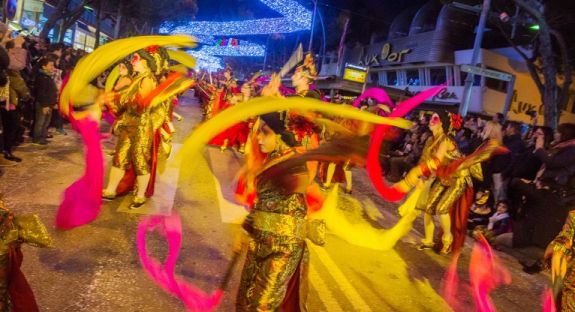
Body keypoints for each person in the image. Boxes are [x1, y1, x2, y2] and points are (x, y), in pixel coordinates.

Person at [235, 111, 320, 311]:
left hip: (283, 248)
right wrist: (245, 229)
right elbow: (263, 201)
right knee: (245, 298)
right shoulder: (273, 159)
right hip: (260, 241)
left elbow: (299, 182)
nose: (258, 138)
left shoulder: (295, 162)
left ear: (281, 137)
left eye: (265, 133)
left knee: (261, 305)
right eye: (258, 132)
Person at [101, 46, 167, 209]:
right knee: (120, 156)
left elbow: (141, 102)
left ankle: (140, 195)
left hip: (141, 125)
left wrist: (119, 98)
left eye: (136, 59)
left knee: (139, 160)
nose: (133, 63)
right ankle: (110, 189)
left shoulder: (147, 79)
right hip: (129, 123)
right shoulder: (138, 78)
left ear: (145, 62)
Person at [32, 57, 58, 145]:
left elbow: (51, 91)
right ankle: (37, 138)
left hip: (49, 103)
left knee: (46, 122)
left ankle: (43, 136)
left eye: (53, 65)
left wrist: (53, 103)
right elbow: (41, 93)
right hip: (43, 104)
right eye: (50, 65)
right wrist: (44, 105)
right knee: (40, 121)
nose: (52, 67)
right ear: (43, 66)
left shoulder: (48, 76)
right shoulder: (41, 77)